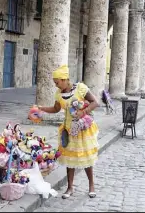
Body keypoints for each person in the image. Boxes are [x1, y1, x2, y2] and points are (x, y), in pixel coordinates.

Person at [36, 65, 99, 199]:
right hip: (68, 130)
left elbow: (95, 102)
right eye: (55, 83)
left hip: (82, 129)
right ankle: (70, 188)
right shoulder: (59, 94)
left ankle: (91, 185)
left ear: (65, 79)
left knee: (86, 158)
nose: (56, 85)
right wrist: (41, 109)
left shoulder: (81, 88)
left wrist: (83, 112)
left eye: (57, 82)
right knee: (70, 160)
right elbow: (55, 109)